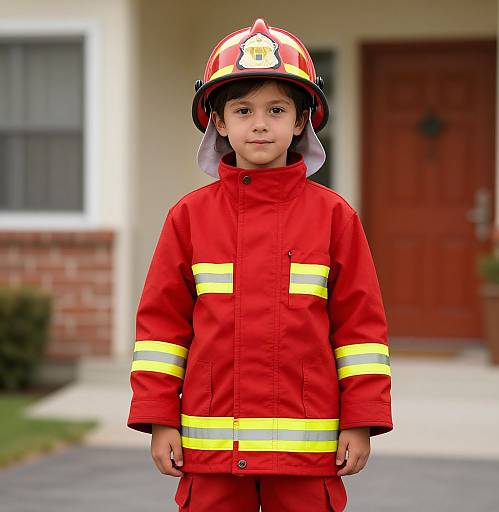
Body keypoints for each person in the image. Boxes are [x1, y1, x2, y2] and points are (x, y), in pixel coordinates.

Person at [127, 18, 393, 512]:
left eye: (276, 109)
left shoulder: (335, 218)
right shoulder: (188, 218)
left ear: (300, 121)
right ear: (219, 123)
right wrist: (159, 416)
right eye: (243, 109)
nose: (260, 123)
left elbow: (361, 332)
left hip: (306, 459)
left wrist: (361, 419)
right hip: (212, 457)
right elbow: (161, 331)